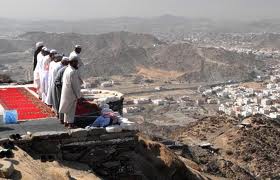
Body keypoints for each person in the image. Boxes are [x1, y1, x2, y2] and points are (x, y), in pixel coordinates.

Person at [59, 55, 82, 128]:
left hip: (66, 91)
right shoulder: (73, 72)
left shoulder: (67, 69)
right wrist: (79, 96)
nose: (77, 64)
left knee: (67, 108)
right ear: (73, 62)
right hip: (71, 93)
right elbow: (75, 86)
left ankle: (66, 122)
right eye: (76, 62)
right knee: (71, 109)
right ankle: (70, 124)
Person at [51, 56, 69, 123]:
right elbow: (59, 81)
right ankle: (61, 118)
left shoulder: (62, 67)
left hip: (58, 86)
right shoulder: (63, 69)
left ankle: (60, 116)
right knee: (60, 102)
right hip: (59, 87)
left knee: (59, 102)